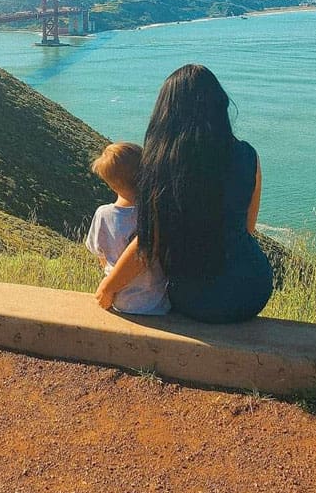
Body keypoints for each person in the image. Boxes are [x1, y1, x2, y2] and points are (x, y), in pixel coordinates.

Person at [94, 64, 273, 323]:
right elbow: (248, 227)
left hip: (198, 297)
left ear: (167, 114)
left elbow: (148, 245)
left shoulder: (163, 164)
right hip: (255, 288)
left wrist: (107, 288)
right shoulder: (248, 155)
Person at [85, 142, 171, 315]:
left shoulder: (103, 214)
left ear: (110, 183)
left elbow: (100, 255)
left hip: (118, 302)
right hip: (155, 306)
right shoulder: (153, 214)